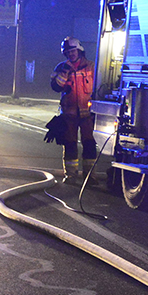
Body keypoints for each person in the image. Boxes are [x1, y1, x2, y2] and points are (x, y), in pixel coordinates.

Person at [51, 36, 97, 184]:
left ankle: (90, 177)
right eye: (68, 52)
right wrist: (64, 72)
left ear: (79, 50)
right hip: (69, 114)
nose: (71, 54)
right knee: (70, 144)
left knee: (89, 144)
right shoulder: (61, 67)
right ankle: (71, 175)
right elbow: (56, 87)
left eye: (73, 51)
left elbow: (98, 86)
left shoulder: (91, 66)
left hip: (87, 114)